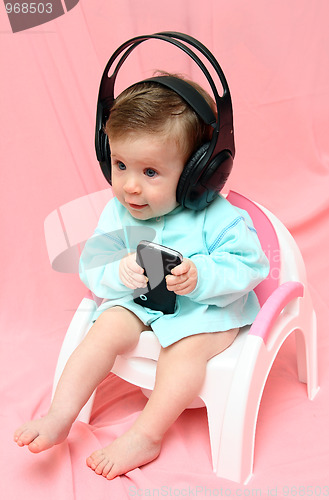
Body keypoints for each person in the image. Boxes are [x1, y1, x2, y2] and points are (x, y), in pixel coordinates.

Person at [14, 74, 269, 480]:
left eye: (150, 171)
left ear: (197, 173)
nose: (130, 186)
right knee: (102, 330)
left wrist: (202, 276)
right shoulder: (119, 212)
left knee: (182, 353)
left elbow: (251, 266)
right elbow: (91, 267)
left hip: (205, 313)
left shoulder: (221, 217)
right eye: (120, 165)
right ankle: (60, 414)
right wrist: (118, 270)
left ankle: (147, 435)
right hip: (142, 302)